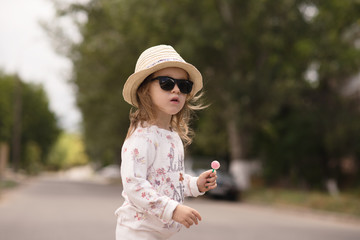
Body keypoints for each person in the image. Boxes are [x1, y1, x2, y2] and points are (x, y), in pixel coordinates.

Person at [115, 45, 218, 240]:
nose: (177, 89)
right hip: (137, 232)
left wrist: (196, 184)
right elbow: (134, 185)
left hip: (161, 233)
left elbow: (170, 179)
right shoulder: (141, 137)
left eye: (184, 85)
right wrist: (172, 209)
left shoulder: (172, 137)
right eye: (166, 83)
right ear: (145, 90)